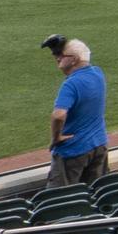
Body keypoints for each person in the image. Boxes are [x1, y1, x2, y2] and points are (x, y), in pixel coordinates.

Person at [43, 36, 108, 186]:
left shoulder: (71, 84)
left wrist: (56, 138)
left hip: (73, 150)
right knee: (97, 192)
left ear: (73, 59)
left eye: (61, 55)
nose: (57, 58)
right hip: (99, 145)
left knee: (60, 199)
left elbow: (58, 115)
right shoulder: (98, 74)